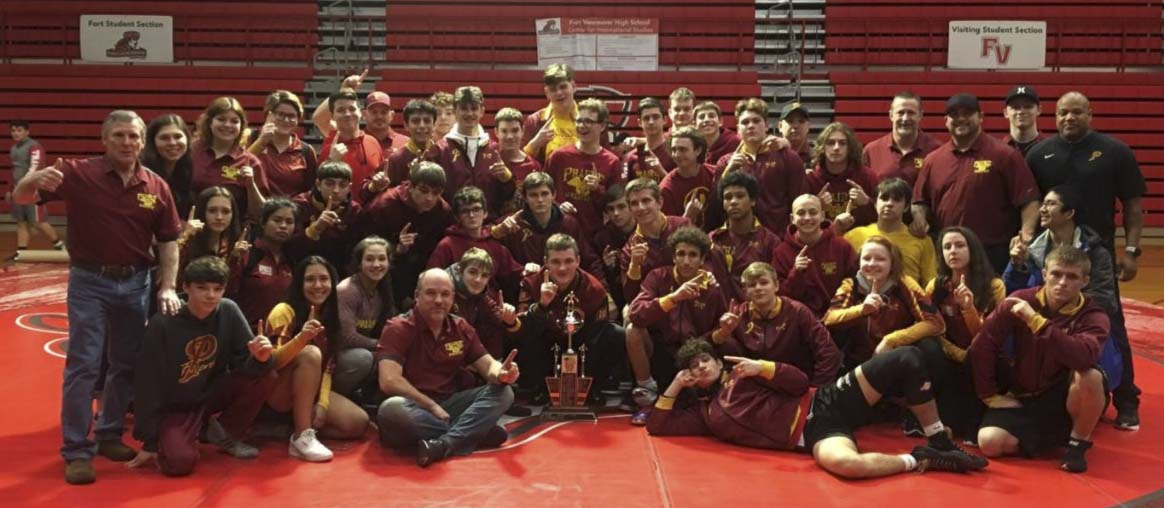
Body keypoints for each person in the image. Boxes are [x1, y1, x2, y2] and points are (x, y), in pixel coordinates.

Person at [13, 110, 183, 485]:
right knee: (84, 365)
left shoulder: (156, 186)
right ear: (104, 140)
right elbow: (21, 195)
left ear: (142, 141)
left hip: (136, 282)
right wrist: (33, 178)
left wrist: (167, 285)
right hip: (90, 281)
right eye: (119, 135)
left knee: (125, 364)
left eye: (134, 136)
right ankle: (76, 449)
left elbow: (169, 242)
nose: (127, 143)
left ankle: (108, 434)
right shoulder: (76, 173)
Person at [647, 339, 988, 478]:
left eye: (704, 360)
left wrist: (763, 367)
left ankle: (938, 437)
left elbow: (798, 383)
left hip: (824, 400)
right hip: (813, 434)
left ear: (717, 360)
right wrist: (676, 384)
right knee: (846, 465)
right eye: (692, 367)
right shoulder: (704, 415)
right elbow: (658, 425)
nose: (701, 368)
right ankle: (925, 458)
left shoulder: (745, 373)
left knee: (908, 357)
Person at [1025, 92, 1146, 429]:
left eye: (1077, 112)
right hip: (1050, 256)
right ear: (1055, 115)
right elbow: (1031, 205)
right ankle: (1048, 396)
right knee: (1044, 326)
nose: (1069, 118)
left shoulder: (1114, 151)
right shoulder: (1039, 154)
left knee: (1112, 327)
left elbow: (1133, 206)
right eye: (1063, 112)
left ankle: (1126, 400)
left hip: (1097, 256)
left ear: (1090, 114)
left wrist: (1132, 250)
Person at [129, 256, 277, 476]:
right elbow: (147, 383)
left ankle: (225, 433)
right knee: (179, 464)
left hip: (210, 394)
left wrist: (261, 358)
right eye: (202, 288)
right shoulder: (164, 322)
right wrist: (150, 441)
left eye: (218, 289)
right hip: (177, 405)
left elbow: (248, 365)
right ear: (185, 287)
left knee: (267, 374)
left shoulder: (228, 310)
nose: (211, 295)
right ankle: (190, 433)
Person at [971, 245, 1109, 473]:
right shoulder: (1019, 300)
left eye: (1072, 276)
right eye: (1056, 274)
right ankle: (1054, 437)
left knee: (1090, 376)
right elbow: (983, 344)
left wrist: (1036, 321)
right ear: (1044, 274)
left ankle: (1078, 442)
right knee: (989, 442)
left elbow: (1085, 356)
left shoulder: (1094, 315)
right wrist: (988, 394)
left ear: (1085, 281)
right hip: (1024, 394)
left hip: (1063, 395)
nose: (1062, 282)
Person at [376, 269, 519, 467]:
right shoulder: (397, 327)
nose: (438, 300)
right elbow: (389, 381)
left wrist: (502, 372)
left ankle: (444, 444)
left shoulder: (461, 327)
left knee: (504, 392)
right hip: (413, 407)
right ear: (417, 296)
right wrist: (431, 406)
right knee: (391, 410)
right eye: (431, 293)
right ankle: (471, 431)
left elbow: (488, 365)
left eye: (445, 294)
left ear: (453, 298)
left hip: (449, 405)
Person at [912, 93, 1040, 274]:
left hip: (993, 253)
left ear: (981, 117)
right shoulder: (933, 160)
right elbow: (920, 202)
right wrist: (919, 217)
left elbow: (1029, 200)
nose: (961, 119)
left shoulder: (1004, 155)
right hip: (948, 252)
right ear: (946, 121)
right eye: (954, 115)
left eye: (968, 113)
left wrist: (1025, 236)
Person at [263, 256, 370, 462]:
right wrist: (301, 339)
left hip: (307, 388)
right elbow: (271, 363)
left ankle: (290, 427)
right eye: (310, 280)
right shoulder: (284, 311)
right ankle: (301, 436)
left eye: (324, 279)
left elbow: (329, 366)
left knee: (358, 423)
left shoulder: (330, 315)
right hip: (274, 389)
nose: (318, 285)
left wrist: (322, 403)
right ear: (299, 283)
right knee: (311, 353)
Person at [626, 226, 727, 423]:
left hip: (693, 355)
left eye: (693, 255)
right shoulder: (658, 276)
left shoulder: (712, 288)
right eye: (681, 254)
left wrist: (723, 330)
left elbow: (719, 328)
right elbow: (636, 314)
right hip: (659, 351)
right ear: (673, 257)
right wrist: (673, 297)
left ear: (702, 259)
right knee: (632, 330)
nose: (686, 261)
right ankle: (646, 399)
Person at [517, 234, 625, 405]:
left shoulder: (594, 289)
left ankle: (590, 387)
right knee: (525, 336)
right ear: (546, 262)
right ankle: (542, 387)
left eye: (568, 261)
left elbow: (598, 332)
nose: (562, 268)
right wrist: (542, 305)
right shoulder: (530, 283)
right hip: (546, 343)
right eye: (555, 262)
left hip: (582, 344)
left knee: (615, 334)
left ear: (578, 261)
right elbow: (520, 328)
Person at [921, 227, 1005, 438]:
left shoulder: (994, 286)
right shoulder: (936, 285)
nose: (953, 251)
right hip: (949, 355)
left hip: (982, 356)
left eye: (959, 245)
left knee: (980, 356)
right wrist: (958, 354)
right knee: (925, 347)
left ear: (973, 250)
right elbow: (931, 328)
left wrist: (968, 309)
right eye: (947, 247)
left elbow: (988, 336)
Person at [824, 237, 944, 372]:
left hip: (898, 355)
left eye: (880, 259)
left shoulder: (904, 283)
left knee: (931, 346)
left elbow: (936, 323)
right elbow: (829, 320)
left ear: (892, 263)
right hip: (859, 360)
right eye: (866, 258)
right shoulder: (851, 285)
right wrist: (861, 310)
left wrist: (891, 340)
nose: (872, 263)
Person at [714, 261, 841, 387]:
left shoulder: (797, 311)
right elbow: (727, 356)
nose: (758, 288)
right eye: (752, 285)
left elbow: (829, 352)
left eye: (764, 283)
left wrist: (815, 389)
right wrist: (723, 333)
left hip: (796, 384)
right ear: (745, 291)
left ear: (776, 286)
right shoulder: (737, 314)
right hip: (756, 386)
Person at [357, 161, 455, 304]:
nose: (429, 198)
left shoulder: (442, 210)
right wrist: (396, 249)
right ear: (410, 186)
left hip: (422, 270)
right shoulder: (384, 205)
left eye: (436, 193)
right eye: (424, 190)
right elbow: (363, 246)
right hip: (384, 272)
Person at [711, 98, 805, 234]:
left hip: (778, 238)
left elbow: (798, 201)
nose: (751, 126)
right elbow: (715, 206)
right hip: (739, 240)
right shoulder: (725, 162)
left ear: (766, 125)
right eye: (745, 122)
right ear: (738, 129)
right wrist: (728, 172)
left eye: (756, 121)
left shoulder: (788, 157)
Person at [425, 86, 514, 219]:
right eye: (464, 109)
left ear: (482, 111)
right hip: (450, 227)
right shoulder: (439, 150)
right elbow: (430, 194)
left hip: (487, 229)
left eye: (473, 108)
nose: (469, 113)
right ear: (455, 111)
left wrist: (508, 180)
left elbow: (506, 197)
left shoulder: (495, 149)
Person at [544, 98, 624, 236]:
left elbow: (616, 208)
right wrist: (556, 206)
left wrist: (597, 189)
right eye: (579, 120)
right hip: (560, 233)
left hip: (594, 236)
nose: (582, 126)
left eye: (589, 121)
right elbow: (543, 193)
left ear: (603, 126)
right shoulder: (558, 157)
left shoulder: (612, 162)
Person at [491, 171, 597, 276]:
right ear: (525, 198)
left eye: (544, 194)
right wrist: (498, 231)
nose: (540, 200)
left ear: (554, 195)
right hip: (525, 287)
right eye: (533, 195)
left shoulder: (569, 223)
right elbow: (482, 237)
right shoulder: (512, 224)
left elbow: (589, 261)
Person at [772, 194, 857, 318]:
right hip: (799, 322)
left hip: (839, 318)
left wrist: (837, 310)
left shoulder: (841, 246)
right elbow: (779, 297)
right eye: (801, 213)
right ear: (792, 219)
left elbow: (854, 282)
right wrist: (796, 273)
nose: (807, 218)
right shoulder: (781, 252)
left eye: (813, 212)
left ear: (822, 216)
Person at [334, 236, 398, 400]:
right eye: (369, 259)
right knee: (364, 358)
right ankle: (334, 397)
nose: (376, 264)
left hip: (364, 350)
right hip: (335, 357)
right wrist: (383, 346)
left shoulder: (382, 290)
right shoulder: (347, 290)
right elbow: (347, 337)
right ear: (359, 263)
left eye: (382, 259)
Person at [427, 186, 523, 293]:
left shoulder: (493, 244)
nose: (471, 215)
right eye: (465, 211)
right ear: (457, 216)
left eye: (476, 209)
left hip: (491, 306)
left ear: (485, 213)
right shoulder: (446, 245)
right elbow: (430, 281)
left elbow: (517, 275)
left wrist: (532, 270)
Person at [845, 178, 937, 287]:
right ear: (875, 203)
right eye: (884, 198)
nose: (889, 204)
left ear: (906, 206)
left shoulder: (921, 239)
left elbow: (930, 284)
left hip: (909, 300)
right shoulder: (854, 236)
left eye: (896, 200)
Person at [707, 171, 782, 303]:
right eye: (728, 197)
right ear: (723, 204)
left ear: (753, 201)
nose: (734, 202)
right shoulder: (712, 240)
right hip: (717, 317)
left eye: (740, 196)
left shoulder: (770, 241)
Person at [189, 97, 268, 220]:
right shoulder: (191, 152)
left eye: (234, 121)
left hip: (232, 234)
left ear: (242, 126)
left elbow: (261, 213)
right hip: (191, 229)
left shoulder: (250, 162)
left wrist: (251, 186)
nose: (227, 125)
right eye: (221, 119)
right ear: (210, 122)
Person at [227, 198, 296, 328]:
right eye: (277, 220)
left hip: (280, 337)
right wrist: (234, 261)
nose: (283, 226)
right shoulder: (246, 254)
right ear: (263, 223)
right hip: (246, 334)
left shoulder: (292, 260)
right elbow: (227, 292)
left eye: (289, 222)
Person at [620, 178, 691, 303]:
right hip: (655, 308)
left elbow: (705, 262)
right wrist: (635, 266)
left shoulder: (683, 226)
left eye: (646, 200)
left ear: (660, 202)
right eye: (634, 203)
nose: (641, 207)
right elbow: (631, 298)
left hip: (689, 297)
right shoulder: (629, 249)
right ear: (630, 209)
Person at [805, 122, 877, 234]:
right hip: (823, 241)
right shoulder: (811, 179)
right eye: (830, 143)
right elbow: (800, 223)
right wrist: (816, 207)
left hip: (861, 242)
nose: (836, 148)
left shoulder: (867, 176)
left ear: (850, 148)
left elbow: (883, 218)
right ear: (822, 147)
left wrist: (866, 203)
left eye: (842, 143)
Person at [313, 70, 409, 152]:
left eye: (384, 112)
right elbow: (319, 119)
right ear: (363, 113)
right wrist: (344, 90)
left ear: (392, 115)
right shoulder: (349, 137)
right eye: (374, 112)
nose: (379, 116)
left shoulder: (405, 144)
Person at [316, 89, 385, 202]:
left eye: (352, 109)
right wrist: (331, 162)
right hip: (342, 216)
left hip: (371, 215)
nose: (348, 114)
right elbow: (318, 191)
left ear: (360, 113)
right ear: (332, 116)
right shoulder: (329, 149)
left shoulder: (373, 141)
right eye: (341, 110)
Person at [8, 119, 64, 256]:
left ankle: (60, 246)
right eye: (13, 130)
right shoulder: (14, 149)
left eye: (19, 130)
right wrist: (11, 190)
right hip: (17, 191)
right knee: (21, 222)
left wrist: (26, 185)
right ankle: (21, 253)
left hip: (32, 190)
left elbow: (35, 166)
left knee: (39, 222)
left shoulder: (34, 147)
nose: (16, 133)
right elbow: (14, 171)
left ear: (27, 132)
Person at [861, 91, 941, 186]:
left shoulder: (937, 150)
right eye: (900, 112)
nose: (905, 118)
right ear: (891, 115)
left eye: (911, 113)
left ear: (920, 115)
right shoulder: (871, 151)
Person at [250, 90, 318, 198]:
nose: (286, 120)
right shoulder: (250, 138)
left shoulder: (306, 151)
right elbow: (234, 171)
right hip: (253, 213)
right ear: (269, 114)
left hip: (290, 212)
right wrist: (261, 142)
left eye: (292, 116)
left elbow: (311, 190)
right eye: (280, 114)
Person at [659, 126, 716, 226]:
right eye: (674, 150)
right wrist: (688, 216)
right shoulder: (666, 188)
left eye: (682, 150)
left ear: (698, 150)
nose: (676, 155)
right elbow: (668, 234)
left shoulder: (714, 173)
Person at [178, 187, 242, 274]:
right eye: (212, 211)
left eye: (225, 211)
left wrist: (235, 260)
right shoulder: (187, 241)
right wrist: (186, 239)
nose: (219, 217)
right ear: (202, 212)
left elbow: (230, 285)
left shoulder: (233, 247)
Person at [524, 63, 579, 164]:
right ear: (547, 93)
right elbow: (519, 163)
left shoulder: (591, 119)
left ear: (573, 86)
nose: (559, 93)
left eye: (563, 87)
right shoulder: (534, 121)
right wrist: (534, 145)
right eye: (553, 89)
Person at [141, 114, 195, 218]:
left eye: (178, 136)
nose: (172, 143)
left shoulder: (189, 169)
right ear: (152, 142)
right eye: (164, 138)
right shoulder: (142, 173)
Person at [493, 107, 542, 215]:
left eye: (515, 130)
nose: (510, 136)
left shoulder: (533, 166)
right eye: (504, 131)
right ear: (496, 132)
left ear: (523, 131)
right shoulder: (488, 159)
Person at [593, 183, 636, 305]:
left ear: (632, 207)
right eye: (611, 209)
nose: (616, 213)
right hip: (616, 297)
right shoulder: (601, 238)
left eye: (621, 207)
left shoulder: (644, 231)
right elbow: (598, 276)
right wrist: (608, 268)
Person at [386, 99, 438, 187]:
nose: (422, 126)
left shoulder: (443, 153)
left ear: (434, 125)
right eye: (416, 121)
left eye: (427, 121)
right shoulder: (396, 159)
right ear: (406, 125)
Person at [623, 97, 676, 180]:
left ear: (665, 120)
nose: (651, 122)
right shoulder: (631, 157)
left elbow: (680, 188)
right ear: (639, 123)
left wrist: (660, 171)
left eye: (655, 117)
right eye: (646, 118)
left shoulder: (674, 152)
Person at [1001, 85, 1047, 156]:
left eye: (1028, 106)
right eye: (1015, 107)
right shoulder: (998, 150)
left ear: (1039, 110)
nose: (1021, 111)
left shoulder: (1051, 148)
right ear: (1006, 113)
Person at [694, 101, 740, 166]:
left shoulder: (735, 142)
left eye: (711, 116)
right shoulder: (692, 146)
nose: (706, 119)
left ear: (720, 122)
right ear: (694, 124)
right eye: (701, 117)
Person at [778, 102, 813, 168]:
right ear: (780, 126)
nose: (796, 126)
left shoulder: (817, 156)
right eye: (790, 121)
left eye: (801, 121)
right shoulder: (770, 155)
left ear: (808, 126)